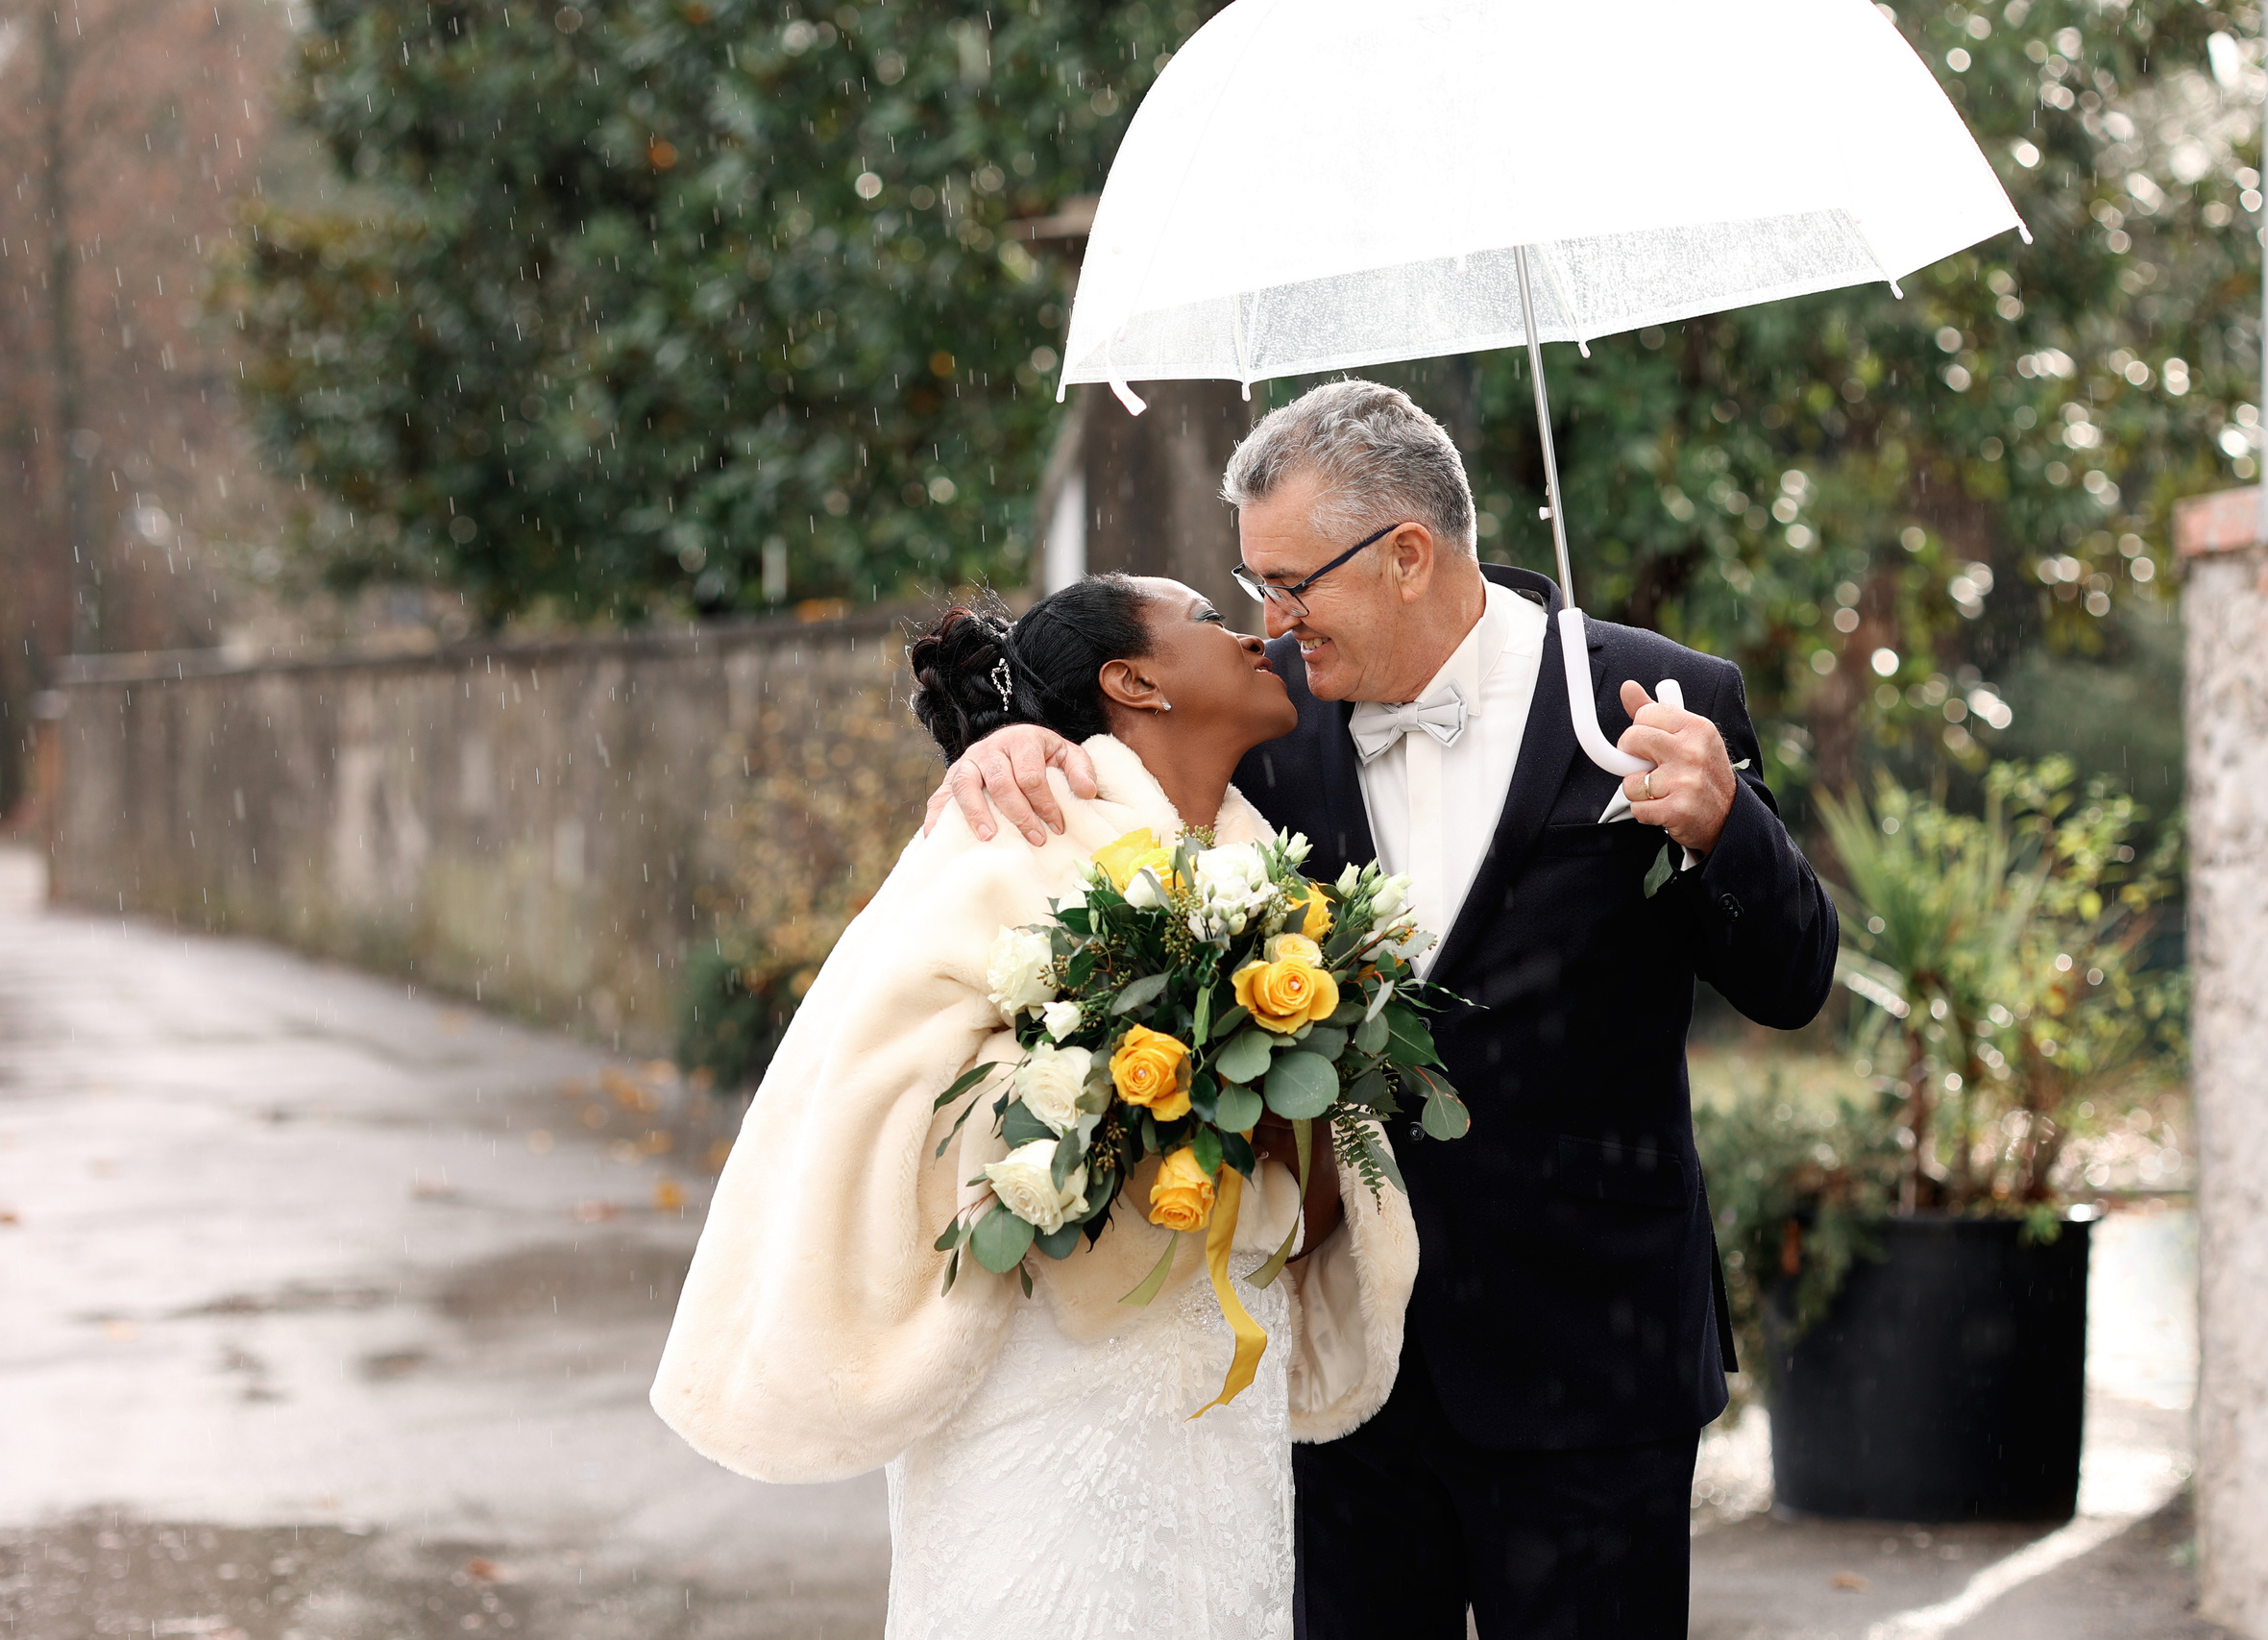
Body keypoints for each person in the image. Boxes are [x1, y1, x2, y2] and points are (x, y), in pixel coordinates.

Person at [935, 379, 1840, 1639]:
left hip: (1592, 1358)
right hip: (1342, 1363)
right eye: (1255, 585)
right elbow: (1099, 734)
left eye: (1293, 582)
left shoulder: (1655, 698)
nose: (1271, 618)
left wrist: (1724, 826)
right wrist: (1005, 743)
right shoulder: (1266, 717)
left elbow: (1795, 978)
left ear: (1410, 553)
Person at [651, 574, 1420, 1640]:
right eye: (1210, 618)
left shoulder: (1265, 863)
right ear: (1132, 679)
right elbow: (873, 1090)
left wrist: (1300, 1081)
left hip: (1221, 1383)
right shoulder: (1005, 829)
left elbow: (1313, 1165)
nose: (1254, 636)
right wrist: (1110, 1088)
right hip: (1048, 1378)